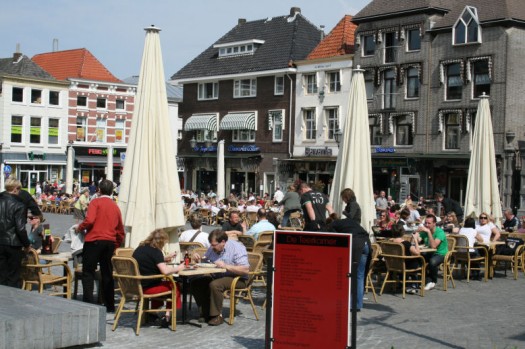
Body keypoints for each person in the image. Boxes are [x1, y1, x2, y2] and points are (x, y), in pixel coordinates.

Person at [78, 179, 125, 312]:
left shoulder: (95, 202)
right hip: (109, 242)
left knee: (88, 272)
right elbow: (120, 230)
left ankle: (88, 303)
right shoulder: (115, 206)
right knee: (107, 273)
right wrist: (115, 245)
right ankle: (109, 304)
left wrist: (80, 227)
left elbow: (90, 220)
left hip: (94, 240)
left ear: (99, 190)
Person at [191, 229, 249, 326]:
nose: (212, 247)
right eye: (211, 245)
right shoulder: (212, 248)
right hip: (217, 275)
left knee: (215, 285)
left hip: (237, 278)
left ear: (223, 242)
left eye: (214, 245)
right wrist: (198, 260)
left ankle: (216, 316)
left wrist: (226, 266)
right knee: (197, 282)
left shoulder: (237, 247)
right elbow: (206, 262)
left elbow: (245, 270)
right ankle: (205, 312)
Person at [132, 229, 184, 328]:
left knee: (163, 283)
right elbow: (165, 271)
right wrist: (180, 267)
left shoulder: (140, 248)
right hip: (147, 288)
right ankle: (167, 316)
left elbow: (147, 261)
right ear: (161, 242)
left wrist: (163, 259)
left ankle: (153, 312)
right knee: (174, 286)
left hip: (136, 286)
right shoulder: (156, 252)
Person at [329, 210, 371, 311]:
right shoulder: (350, 221)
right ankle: (357, 305)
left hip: (356, 245)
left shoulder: (333, 224)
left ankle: (349, 303)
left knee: (350, 273)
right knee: (359, 276)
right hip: (366, 244)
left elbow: (332, 238)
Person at [0, 178, 31, 288]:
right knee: (13, 276)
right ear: (15, 189)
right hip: (13, 243)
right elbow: (21, 228)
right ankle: (11, 301)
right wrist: (27, 244)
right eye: (19, 189)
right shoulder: (19, 205)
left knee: (1, 276)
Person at [416, 214, 448, 291]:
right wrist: (416, 233)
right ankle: (423, 279)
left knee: (432, 262)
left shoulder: (440, 232)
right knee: (417, 258)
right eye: (425, 223)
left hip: (440, 253)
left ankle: (432, 281)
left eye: (429, 223)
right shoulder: (425, 231)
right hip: (429, 252)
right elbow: (418, 240)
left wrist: (429, 232)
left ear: (434, 223)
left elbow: (434, 246)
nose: (427, 225)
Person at [390, 222, 422, 294]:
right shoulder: (406, 243)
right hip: (405, 265)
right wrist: (416, 240)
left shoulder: (389, 242)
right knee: (419, 260)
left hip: (393, 265)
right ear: (402, 232)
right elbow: (417, 253)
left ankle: (405, 283)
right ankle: (414, 285)